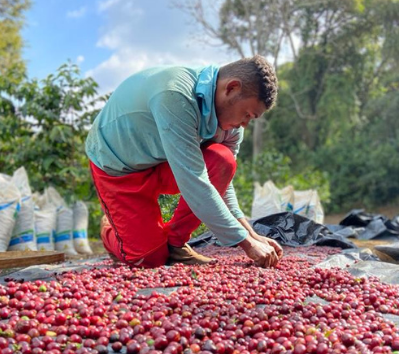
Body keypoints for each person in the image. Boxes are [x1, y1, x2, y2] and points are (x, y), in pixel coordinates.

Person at [86, 54, 283, 268]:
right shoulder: (175, 95)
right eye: (247, 114)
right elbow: (194, 182)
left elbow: (221, 181)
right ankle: (110, 229)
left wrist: (252, 234)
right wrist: (246, 244)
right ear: (231, 88)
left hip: (162, 160)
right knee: (147, 258)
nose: (245, 124)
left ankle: (174, 243)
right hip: (119, 168)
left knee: (223, 160)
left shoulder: (231, 126)